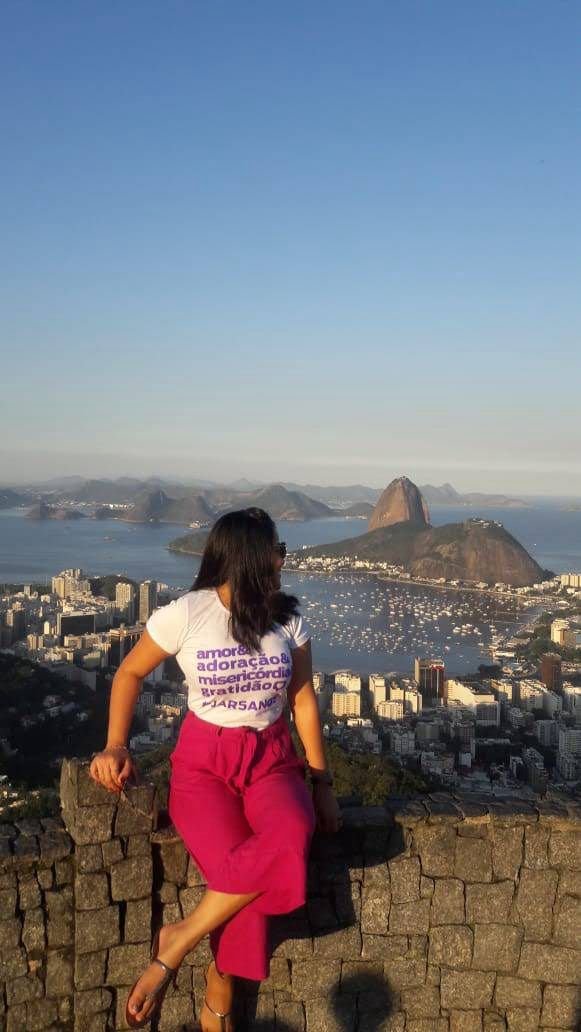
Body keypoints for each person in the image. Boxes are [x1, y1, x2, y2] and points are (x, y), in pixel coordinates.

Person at [89, 507, 342, 1030]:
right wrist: (116, 744)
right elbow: (130, 672)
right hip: (205, 765)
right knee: (239, 878)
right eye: (278, 550)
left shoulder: (287, 619)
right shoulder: (188, 613)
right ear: (251, 556)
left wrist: (322, 783)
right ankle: (220, 997)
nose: (282, 559)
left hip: (272, 760)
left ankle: (176, 944)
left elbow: (303, 703)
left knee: (293, 832)